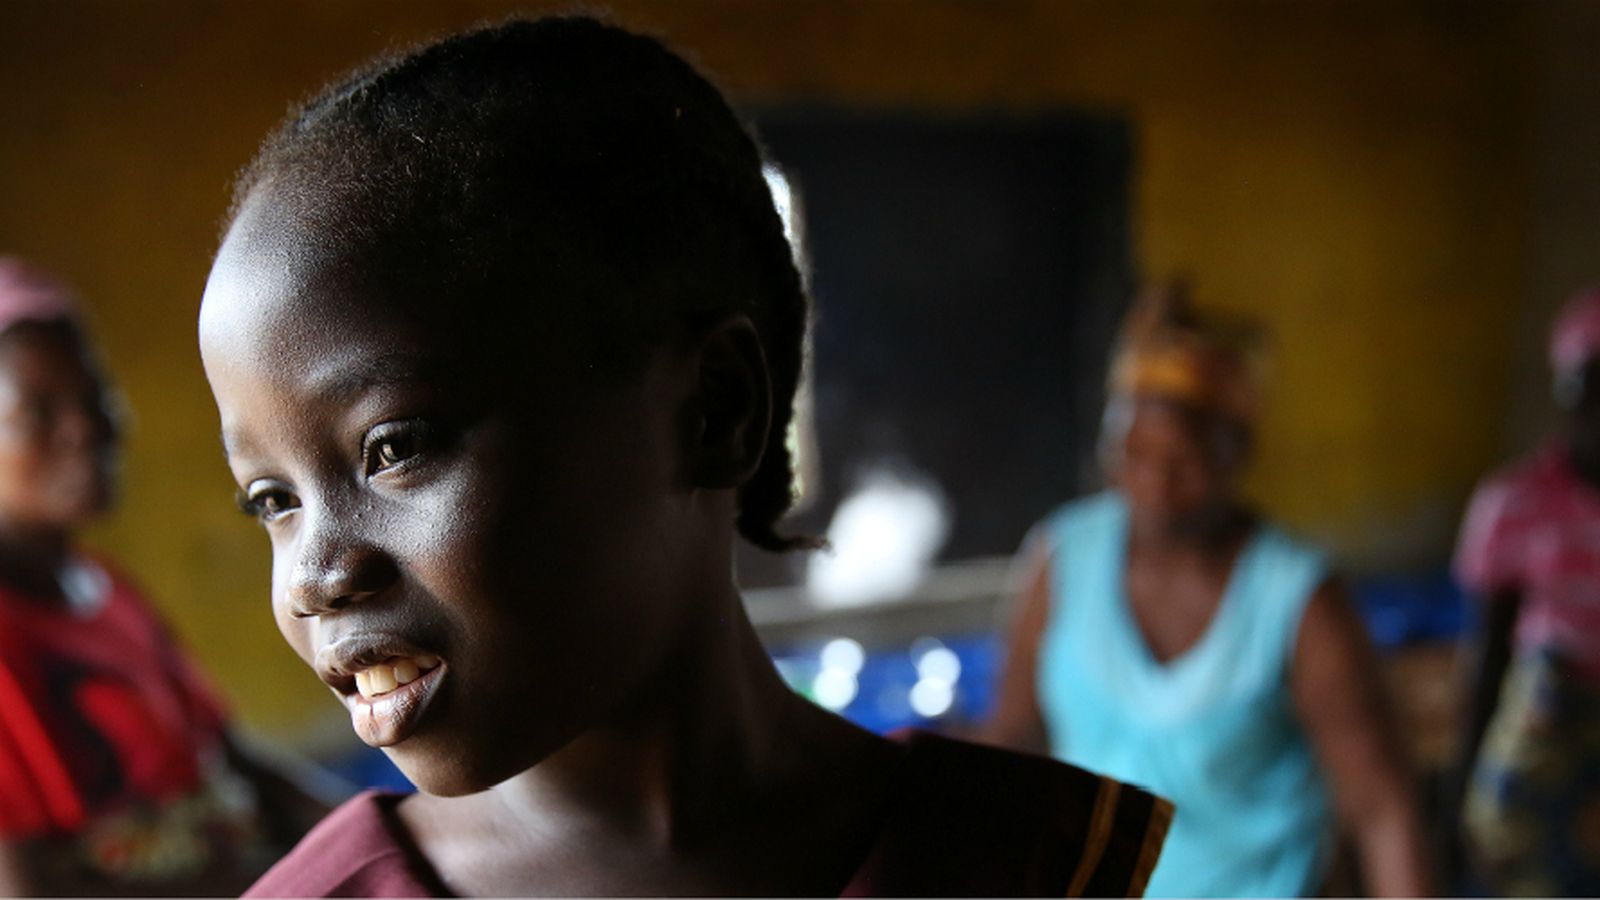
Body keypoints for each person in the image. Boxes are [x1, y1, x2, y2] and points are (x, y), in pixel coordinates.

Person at [197, 16, 1172, 898]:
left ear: (715, 408)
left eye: (393, 448)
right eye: (272, 499)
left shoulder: (1018, 864)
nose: (317, 577)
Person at [987, 285, 1432, 897]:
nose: (1155, 482)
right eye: (1135, 452)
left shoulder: (1296, 601)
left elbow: (1383, 809)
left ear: (1236, 455)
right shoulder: (1063, 560)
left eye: (1185, 459)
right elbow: (1014, 742)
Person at [0, 257, 332, 895]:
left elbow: (235, 763)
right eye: (39, 412)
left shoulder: (102, 588)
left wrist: (383, 826)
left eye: (95, 393)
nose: (86, 428)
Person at [1452, 287, 1600, 896]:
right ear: (1567, 395)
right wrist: (1458, 798)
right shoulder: (1516, 503)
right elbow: (1487, 660)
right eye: (1591, 390)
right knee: (1510, 838)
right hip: (1548, 709)